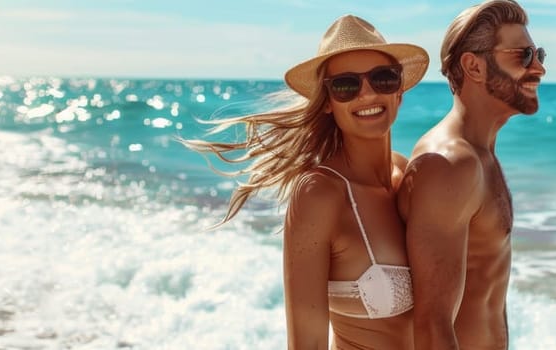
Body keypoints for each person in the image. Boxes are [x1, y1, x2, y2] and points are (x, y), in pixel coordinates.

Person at [183, 15, 428, 349]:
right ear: (327, 102)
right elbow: (305, 344)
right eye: (346, 85)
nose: (367, 94)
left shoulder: (409, 175)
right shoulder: (320, 194)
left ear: (399, 90)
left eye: (383, 78)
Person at [398, 0, 546, 349]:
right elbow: (432, 323)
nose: (539, 68)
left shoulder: (481, 156)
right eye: (523, 56)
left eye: (539, 54)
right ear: (474, 66)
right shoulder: (449, 166)